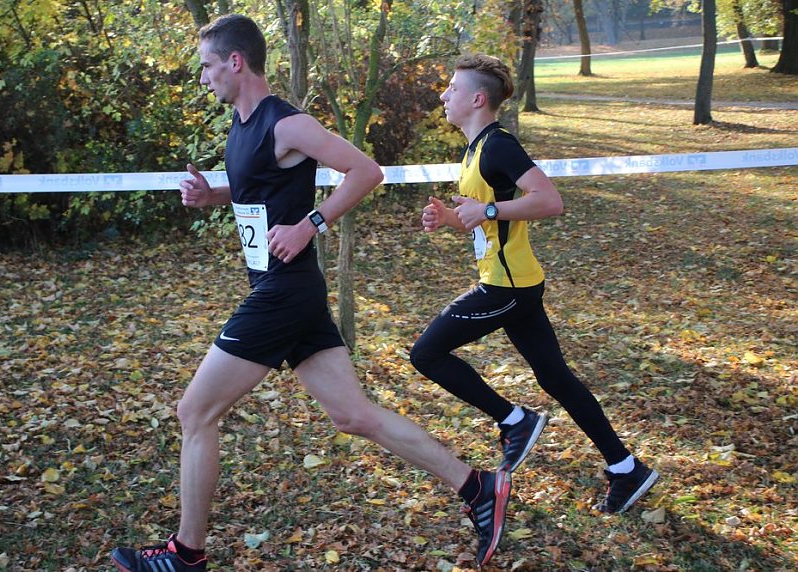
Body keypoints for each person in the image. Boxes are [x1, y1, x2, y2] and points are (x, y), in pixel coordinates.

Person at [111, 17, 512, 572]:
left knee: (195, 412)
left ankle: (186, 554)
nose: (202, 78)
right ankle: (478, 488)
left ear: (235, 62)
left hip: (282, 292)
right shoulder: (242, 123)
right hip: (287, 291)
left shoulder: (286, 123)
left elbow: (365, 171)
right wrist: (213, 195)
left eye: (206, 66)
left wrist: (311, 224)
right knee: (353, 415)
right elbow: (258, 190)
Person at [411, 53, 659, 516]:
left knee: (425, 353)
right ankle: (626, 468)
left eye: (453, 88)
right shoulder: (475, 149)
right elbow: (492, 216)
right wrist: (452, 216)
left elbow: (549, 200)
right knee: (556, 378)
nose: (444, 95)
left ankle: (515, 420)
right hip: (516, 281)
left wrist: (485, 211)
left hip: (506, 288)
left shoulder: (499, 144)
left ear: (477, 99)